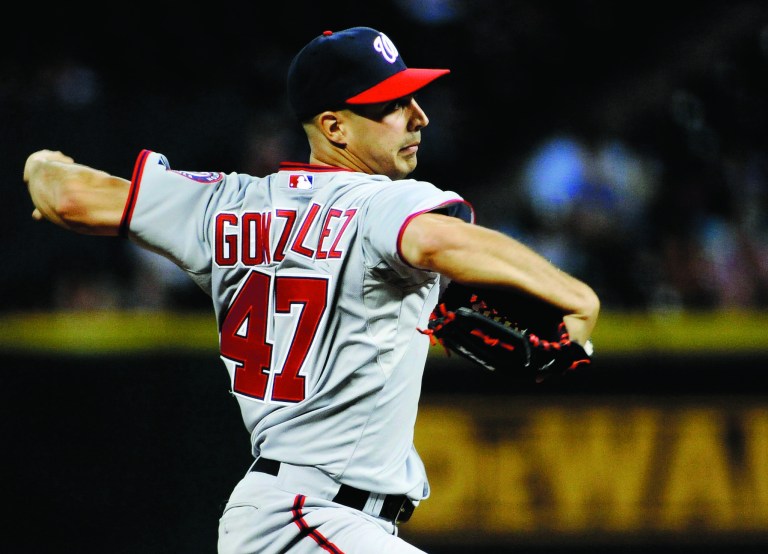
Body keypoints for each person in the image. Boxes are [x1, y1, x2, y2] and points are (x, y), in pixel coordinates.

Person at [23, 26, 599, 554]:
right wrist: (578, 297)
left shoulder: (224, 203)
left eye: (413, 98)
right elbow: (435, 240)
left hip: (295, 518)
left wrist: (42, 161)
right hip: (308, 517)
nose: (418, 115)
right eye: (393, 104)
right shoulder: (379, 201)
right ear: (334, 127)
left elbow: (67, 196)